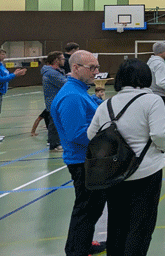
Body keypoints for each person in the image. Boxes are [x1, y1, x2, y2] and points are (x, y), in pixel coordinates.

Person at [87, 59, 165, 256]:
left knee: (117, 223)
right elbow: (159, 134)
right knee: (140, 227)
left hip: (114, 174)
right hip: (145, 172)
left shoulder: (107, 104)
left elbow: (92, 135)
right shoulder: (152, 100)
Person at [49, 50, 107, 256]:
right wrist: (107, 136)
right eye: (92, 68)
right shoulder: (72, 96)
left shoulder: (80, 91)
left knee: (91, 209)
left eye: (97, 67)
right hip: (83, 161)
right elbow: (78, 133)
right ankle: (77, 251)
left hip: (89, 160)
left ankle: (82, 243)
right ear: (75, 68)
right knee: (86, 210)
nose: (96, 72)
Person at [42, 51, 67, 150]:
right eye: (62, 59)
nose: (64, 61)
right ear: (56, 60)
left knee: (58, 122)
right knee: (54, 123)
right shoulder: (51, 73)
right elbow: (64, 83)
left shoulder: (56, 71)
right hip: (53, 101)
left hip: (57, 100)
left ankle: (57, 142)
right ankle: (54, 144)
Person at [1, 48, 27, 142]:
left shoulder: (1, 65)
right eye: (2, 54)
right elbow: (1, 79)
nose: (4, 56)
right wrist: (14, 75)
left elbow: (5, 77)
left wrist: (16, 74)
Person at [147, 42, 165, 116]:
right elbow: (160, 82)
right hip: (159, 95)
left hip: (151, 93)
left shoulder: (151, 61)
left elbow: (154, 77)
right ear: (163, 52)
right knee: (163, 116)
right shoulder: (159, 63)